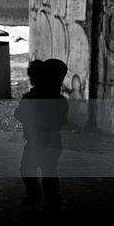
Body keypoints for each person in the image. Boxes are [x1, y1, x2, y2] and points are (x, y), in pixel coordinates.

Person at [15, 58, 68, 210]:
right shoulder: (60, 100)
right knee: (50, 171)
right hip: (54, 141)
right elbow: (62, 121)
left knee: (26, 169)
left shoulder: (31, 98)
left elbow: (19, 114)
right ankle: (53, 201)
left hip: (35, 141)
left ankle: (34, 195)